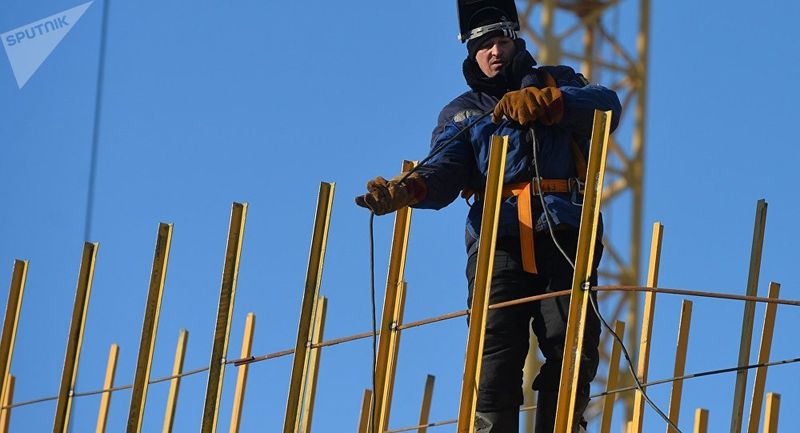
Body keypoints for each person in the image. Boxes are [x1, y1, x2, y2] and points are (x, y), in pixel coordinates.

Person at [355, 1, 621, 432]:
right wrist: (409, 188)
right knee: (493, 350)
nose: (494, 52)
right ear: (472, 54)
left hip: (563, 229)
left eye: (500, 41)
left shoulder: (559, 81)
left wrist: (551, 102)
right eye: (483, 46)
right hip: (498, 238)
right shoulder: (463, 111)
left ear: (516, 42)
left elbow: (607, 107)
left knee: (570, 344)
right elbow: (444, 168)